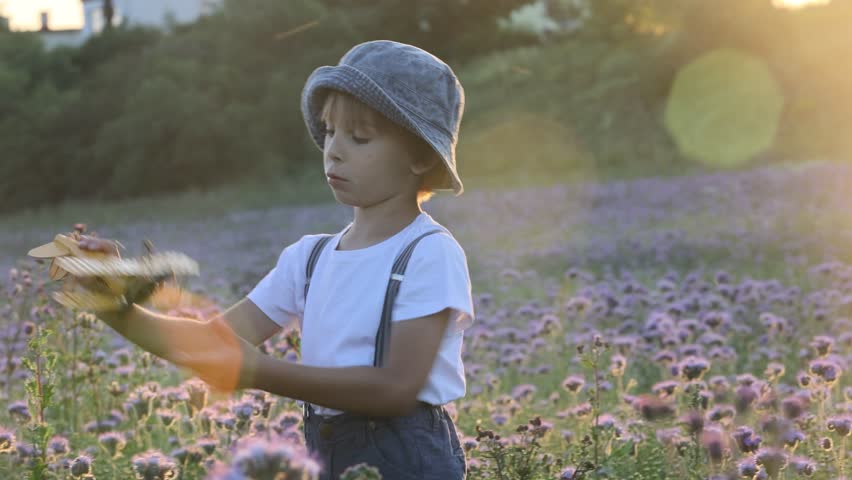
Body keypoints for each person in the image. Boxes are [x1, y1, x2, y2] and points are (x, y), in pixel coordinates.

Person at [76, 40, 474, 479]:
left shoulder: (428, 252)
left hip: (409, 459)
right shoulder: (309, 258)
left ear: (420, 155)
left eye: (359, 137)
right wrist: (113, 304)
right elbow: (213, 342)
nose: (334, 149)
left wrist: (261, 371)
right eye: (329, 131)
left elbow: (395, 389)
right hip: (324, 454)